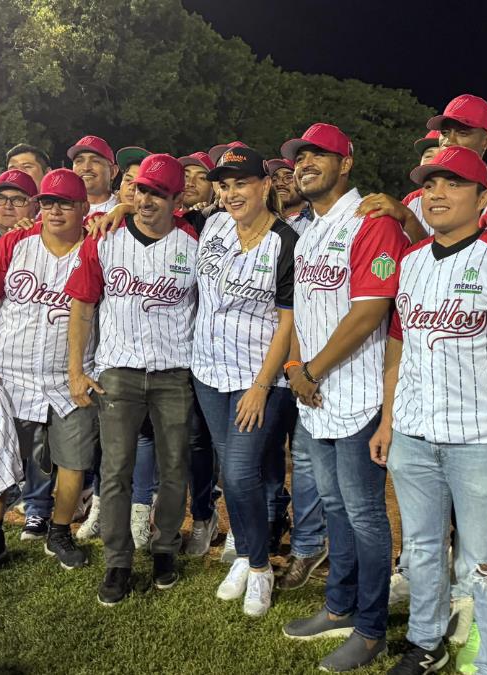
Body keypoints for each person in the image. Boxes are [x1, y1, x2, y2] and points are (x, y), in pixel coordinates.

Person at [370, 145, 487, 675]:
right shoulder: (408, 262)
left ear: (482, 197)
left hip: (485, 440)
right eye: (429, 184)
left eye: (452, 183)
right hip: (413, 433)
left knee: (486, 563)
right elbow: (397, 346)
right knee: (422, 551)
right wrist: (389, 420)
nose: (436, 193)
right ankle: (426, 643)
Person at [278, 123, 407, 672]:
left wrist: (312, 369)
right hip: (318, 393)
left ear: (346, 163)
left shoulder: (370, 221)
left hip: (359, 393)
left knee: (364, 515)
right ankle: (339, 605)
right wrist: (298, 370)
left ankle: (371, 627)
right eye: (299, 156)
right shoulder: (310, 230)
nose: (305, 163)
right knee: (334, 508)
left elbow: (370, 310)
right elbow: (306, 311)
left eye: (319, 155)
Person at [64, 153, 199, 606]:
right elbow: (82, 307)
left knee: (174, 469)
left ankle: (164, 550)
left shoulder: (195, 243)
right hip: (118, 370)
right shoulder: (104, 239)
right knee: (115, 471)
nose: (144, 199)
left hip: (174, 371)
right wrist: (76, 370)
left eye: (157, 193)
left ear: (177, 199)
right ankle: (118, 562)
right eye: (140, 189)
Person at [0, 169, 95, 577]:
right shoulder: (16, 243)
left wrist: (120, 207)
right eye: (48, 202)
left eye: (65, 203)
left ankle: (58, 532)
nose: (55, 210)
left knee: (73, 462)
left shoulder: (98, 247)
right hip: (9, 374)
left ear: (84, 208)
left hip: (69, 375)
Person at [191, 145, 299, 616]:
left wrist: (261, 385)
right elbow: (145, 208)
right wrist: (120, 210)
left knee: (239, 471)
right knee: (232, 474)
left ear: (264, 185)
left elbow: (288, 322)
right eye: (225, 184)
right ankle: (253, 555)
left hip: (259, 378)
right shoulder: (211, 224)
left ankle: (257, 567)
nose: (232, 192)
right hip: (208, 371)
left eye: (241, 183)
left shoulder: (286, 242)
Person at [265, 154, 328, 589]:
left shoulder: (320, 225)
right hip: (267, 362)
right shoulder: (245, 225)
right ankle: (272, 526)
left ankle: (309, 544)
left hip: (310, 363)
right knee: (268, 452)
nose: (285, 181)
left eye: (291, 174)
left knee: (306, 456)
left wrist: (300, 366)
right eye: (278, 175)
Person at [359, 95, 487, 243]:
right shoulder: (413, 200)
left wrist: (410, 220)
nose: (448, 141)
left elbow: (484, 263)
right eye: (445, 133)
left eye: (462, 133)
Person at [68, 134, 121, 214]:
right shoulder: (57, 210)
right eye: (79, 161)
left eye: (95, 161)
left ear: (113, 171)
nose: (86, 168)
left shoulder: (127, 209)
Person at [0, 169, 38, 238]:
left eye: (18, 200)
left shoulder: (47, 243)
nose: (8, 206)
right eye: (1, 198)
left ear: (36, 206)